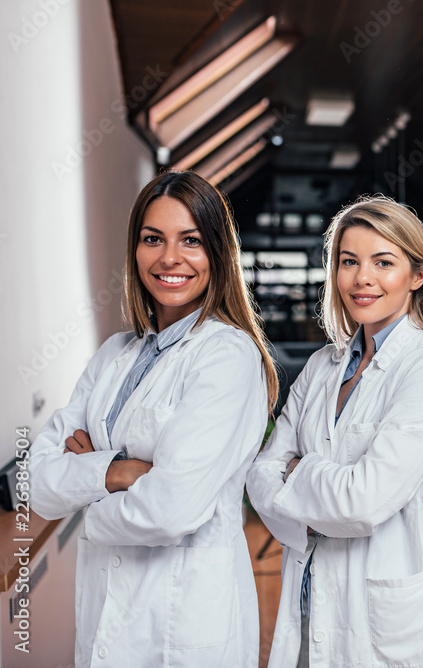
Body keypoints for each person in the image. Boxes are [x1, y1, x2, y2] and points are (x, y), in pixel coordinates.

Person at [28, 170, 279, 667]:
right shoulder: (114, 354)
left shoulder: (226, 356)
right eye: (152, 239)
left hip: (184, 624)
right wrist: (117, 472)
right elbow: (35, 483)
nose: (170, 258)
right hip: (105, 614)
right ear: (135, 250)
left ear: (218, 253)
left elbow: (170, 510)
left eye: (191, 240)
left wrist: (81, 494)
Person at [246, 196, 423, 668]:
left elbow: (364, 504)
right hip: (306, 597)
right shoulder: (322, 365)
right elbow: (260, 474)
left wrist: (298, 473)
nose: (362, 278)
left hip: (383, 615)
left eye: (383, 262)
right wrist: (313, 491)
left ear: (418, 275)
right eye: (349, 262)